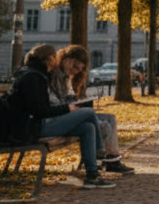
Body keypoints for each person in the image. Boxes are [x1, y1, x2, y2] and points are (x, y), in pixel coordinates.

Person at [5, 44, 116, 188]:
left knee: (88, 127)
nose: (56, 60)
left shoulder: (38, 75)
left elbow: (43, 108)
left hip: (41, 124)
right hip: (35, 128)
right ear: (46, 60)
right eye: (53, 57)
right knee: (88, 112)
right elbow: (40, 111)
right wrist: (67, 108)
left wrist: (67, 107)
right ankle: (100, 152)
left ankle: (92, 175)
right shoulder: (34, 77)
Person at [50, 45, 133, 174]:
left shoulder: (66, 76)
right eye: (75, 67)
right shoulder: (55, 75)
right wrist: (72, 104)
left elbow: (65, 99)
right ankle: (103, 156)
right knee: (103, 125)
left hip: (66, 112)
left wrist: (77, 101)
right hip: (59, 116)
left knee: (110, 117)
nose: (76, 72)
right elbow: (56, 102)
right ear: (67, 60)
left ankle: (113, 160)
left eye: (80, 69)